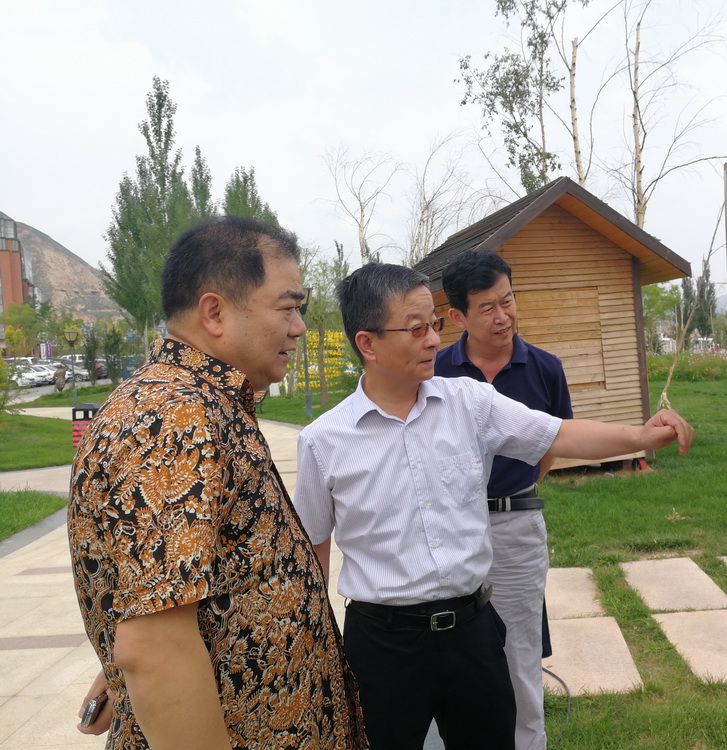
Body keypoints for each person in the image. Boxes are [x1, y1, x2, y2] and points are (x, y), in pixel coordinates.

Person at [293, 262, 693, 750]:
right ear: (368, 344)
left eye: (433, 325)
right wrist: (316, 644)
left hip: (473, 634)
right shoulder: (324, 441)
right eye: (416, 329)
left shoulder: (470, 402)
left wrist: (639, 435)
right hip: (383, 644)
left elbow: (558, 433)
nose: (433, 340)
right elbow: (313, 548)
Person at [67, 216, 367, 749]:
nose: (299, 326)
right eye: (288, 307)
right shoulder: (173, 418)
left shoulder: (201, 403)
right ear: (214, 312)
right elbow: (155, 649)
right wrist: (145, 670)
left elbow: (168, 598)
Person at [435, 249, 570, 750]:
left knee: (520, 654)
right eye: (487, 307)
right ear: (458, 316)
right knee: (447, 652)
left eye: (508, 300)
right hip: (449, 528)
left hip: (515, 527)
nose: (503, 315)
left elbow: (553, 442)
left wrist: (519, 485)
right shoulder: (436, 371)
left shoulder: (545, 368)